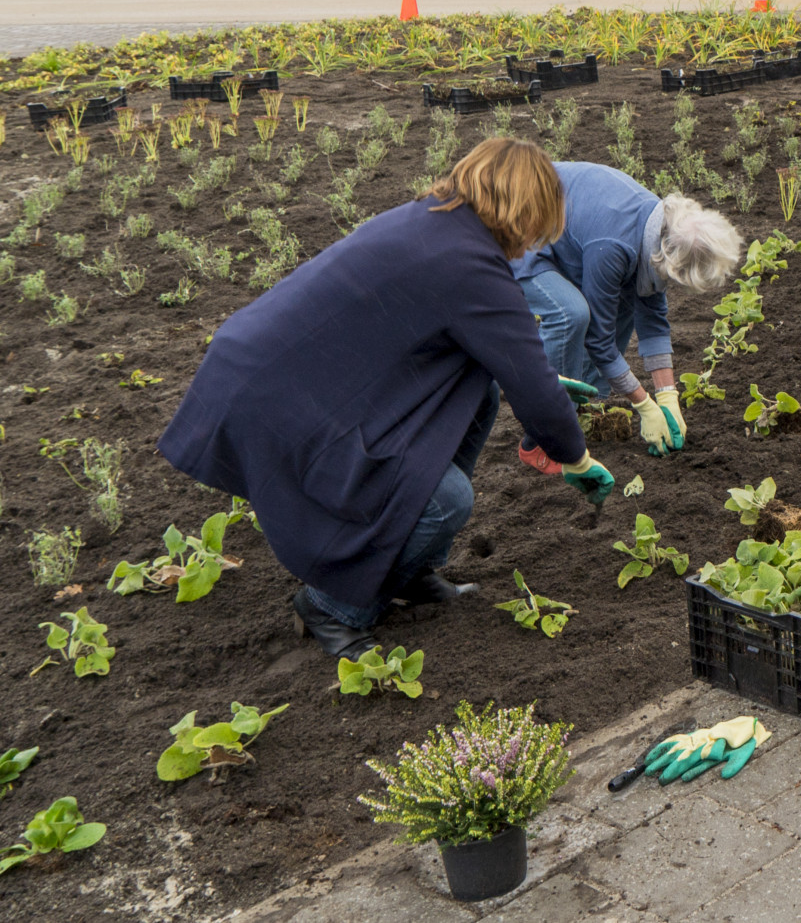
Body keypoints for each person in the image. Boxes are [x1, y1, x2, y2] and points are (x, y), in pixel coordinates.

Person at [158, 138, 614, 659]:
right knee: (445, 502)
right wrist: (575, 457)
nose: (536, 243)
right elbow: (531, 382)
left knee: (478, 393)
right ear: (525, 211)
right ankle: (332, 605)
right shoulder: (469, 263)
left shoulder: (434, 222)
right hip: (276, 399)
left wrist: (544, 391)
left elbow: (508, 370)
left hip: (286, 375)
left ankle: (406, 567)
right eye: (540, 226)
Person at [511, 163, 742, 463]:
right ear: (669, 259)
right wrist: (644, 403)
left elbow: (653, 319)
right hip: (518, 225)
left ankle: (582, 407)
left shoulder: (660, 228)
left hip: (562, 223)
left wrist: (668, 396)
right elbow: (599, 341)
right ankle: (542, 439)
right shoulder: (614, 246)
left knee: (622, 301)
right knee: (570, 315)